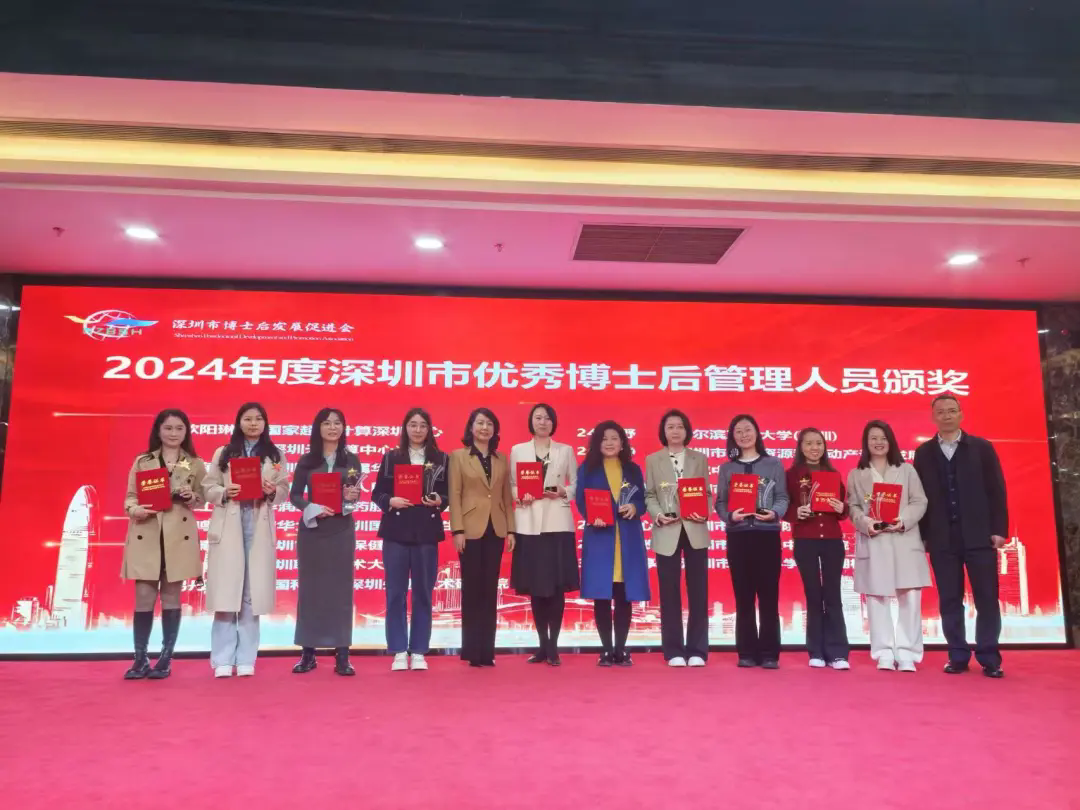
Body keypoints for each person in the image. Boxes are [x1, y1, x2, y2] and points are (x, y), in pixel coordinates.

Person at [913, 394, 1008, 678]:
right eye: (941, 412)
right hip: (942, 538)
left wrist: (999, 529)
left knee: (987, 598)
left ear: (961, 414)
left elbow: (996, 490)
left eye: (952, 411)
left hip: (980, 536)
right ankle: (957, 655)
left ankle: (989, 657)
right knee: (949, 599)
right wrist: (924, 535)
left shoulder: (981, 448)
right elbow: (920, 498)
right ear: (933, 417)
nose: (946, 416)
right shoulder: (924, 453)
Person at [201, 402, 289, 678]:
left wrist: (272, 491)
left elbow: (285, 489)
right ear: (239, 422)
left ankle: (247, 658)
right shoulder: (223, 453)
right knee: (227, 594)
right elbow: (208, 487)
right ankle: (223, 659)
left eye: (258, 419)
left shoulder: (275, 455)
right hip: (230, 523)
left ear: (265, 423)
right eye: (248, 419)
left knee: (252, 595)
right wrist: (224, 491)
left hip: (258, 523)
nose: (253, 424)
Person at [121, 408, 206, 680]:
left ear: (186, 432)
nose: (173, 433)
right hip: (147, 531)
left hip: (177, 535)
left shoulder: (195, 463)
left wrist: (192, 496)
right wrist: (135, 510)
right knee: (144, 597)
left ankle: (166, 659)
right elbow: (130, 498)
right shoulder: (143, 461)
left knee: (171, 597)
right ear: (158, 431)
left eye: (179, 428)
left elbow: (202, 499)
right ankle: (140, 659)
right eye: (168, 428)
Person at [847, 420, 930, 672]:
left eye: (883, 438)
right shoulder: (856, 474)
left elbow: (919, 501)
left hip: (904, 539)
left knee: (910, 597)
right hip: (875, 540)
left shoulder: (906, 470)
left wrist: (902, 520)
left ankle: (907, 654)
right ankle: (883, 652)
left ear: (891, 441)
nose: (878, 442)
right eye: (873, 438)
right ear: (866, 442)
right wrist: (866, 523)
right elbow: (853, 507)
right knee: (877, 598)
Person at [371, 407, 449, 672]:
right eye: (413, 425)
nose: (418, 430)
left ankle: (418, 650)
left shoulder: (441, 459)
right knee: (395, 593)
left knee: (423, 593)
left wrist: (440, 501)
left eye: (423, 425)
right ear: (405, 428)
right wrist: (390, 501)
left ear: (429, 429)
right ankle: (397, 650)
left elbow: (448, 494)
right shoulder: (392, 457)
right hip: (396, 531)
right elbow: (377, 493)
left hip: (426, 531)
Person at [289, 407, 361, 676]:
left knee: (341, 592)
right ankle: (308, 653)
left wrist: (351, 498)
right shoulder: (307, 460)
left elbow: (354, 497)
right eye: (327, 423)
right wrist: (312, 507)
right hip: (313, 531)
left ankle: (342, 654)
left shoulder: (351, 460)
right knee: (311, 591)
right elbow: (295, 495)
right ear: (318, 428)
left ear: (343, 428)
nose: (332, 427)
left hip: (341, 530)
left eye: (337, 423)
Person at [714, 414, 789, 669]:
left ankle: (770, 653)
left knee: (768, 596)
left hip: (767, 536)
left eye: (748, 430)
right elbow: (721, 502)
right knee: (743, 596)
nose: (744, 435)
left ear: (757, 432)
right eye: (738, 431)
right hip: (739, 537)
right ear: (732, 437)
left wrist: (774, 513)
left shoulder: (773, 464)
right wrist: (729, 516)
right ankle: (745, 652)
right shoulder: (727, 468)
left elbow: (783, 497)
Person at [509, 403, 579, 666]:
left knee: (556, 588)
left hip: (558, 523)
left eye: (547, 418)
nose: (542, 422)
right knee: (536, 588)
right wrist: (520, 496)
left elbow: (576, 483)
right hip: (529, 524)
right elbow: (511, 485)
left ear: (553, 423)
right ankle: (542, 646)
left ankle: (553, 647)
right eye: (538, 418)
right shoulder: (518, 450)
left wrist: (563, 492)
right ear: (531, 421)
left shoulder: (565, 450)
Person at [575, 420, 649, 667]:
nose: (609, 443)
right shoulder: (588, 469)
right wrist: (591, 515)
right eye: (604, 439)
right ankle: (606, 650)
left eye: (614, 438)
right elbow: (581, 500)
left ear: (622, 443)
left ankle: (621, 649)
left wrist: (635, 507)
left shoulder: (632, 469)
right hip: (600, 538)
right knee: (602, 595)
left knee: (624, 595)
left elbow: (642, 500)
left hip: (627, 537)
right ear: (597, 443)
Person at [449, 408, 516, 667]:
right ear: (471, 427)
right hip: (470, 529)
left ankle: (487, 651)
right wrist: (457, 530)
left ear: (495, 429)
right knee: (472, 589)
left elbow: (506, 498)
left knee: (490, 590)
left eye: (489, 423)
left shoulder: (501, 459)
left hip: (496, 529)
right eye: (480, 423)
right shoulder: (458, 457)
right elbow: (455, 495)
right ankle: (472, 651)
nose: (484, 428)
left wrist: (511, 530)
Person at [644, 409, 710, 668]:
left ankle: (697, 650)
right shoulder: (653, 459)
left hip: (695, 529)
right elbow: (650, 494)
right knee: (669, 592)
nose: (675, 431)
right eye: (670, 426)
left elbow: (706, 493)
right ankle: (673, 650)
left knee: (698, 591)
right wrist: (658, 515)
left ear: (687, 431)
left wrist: (703, 511)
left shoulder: (699, 458)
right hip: (667, 530)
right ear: (663, 431)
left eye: (679, 426)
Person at [785, 427, 850, 670]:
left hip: (832, 540)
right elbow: (784, 507)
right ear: (801, 447)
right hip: (805, 540)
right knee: (813, 595)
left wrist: (841, 508)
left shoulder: (832, 473)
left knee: (833, 595)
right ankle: (816, 652)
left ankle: (838, 653)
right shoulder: (791, 475)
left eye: (819, 443)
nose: (815, 448)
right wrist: (796, 512)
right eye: (809, 443)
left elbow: (843, 509)